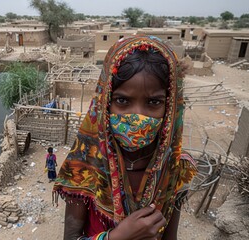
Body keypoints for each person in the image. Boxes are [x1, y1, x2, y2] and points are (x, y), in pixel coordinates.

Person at [53, 36, 197, 240]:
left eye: (153, 102)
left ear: (171, 107)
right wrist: (117, 237)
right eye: (122, 100)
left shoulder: (173, 169)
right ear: (105, 103)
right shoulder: (85, 164)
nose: (138, 116)